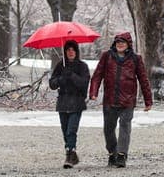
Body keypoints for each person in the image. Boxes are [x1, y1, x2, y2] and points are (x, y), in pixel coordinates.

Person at [89, 31, 153, 168]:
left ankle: (122, 155)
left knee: (125, 127)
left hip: (127, 100)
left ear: (128, 44)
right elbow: (97, 75)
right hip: (109, 100)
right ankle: (113, 153)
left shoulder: (136, 59)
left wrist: (148, 101)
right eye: (118, 42)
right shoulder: (107, 56)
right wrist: (93, 92)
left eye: (123, 42)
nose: (120, 45)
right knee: (108, 129)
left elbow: (143, 80)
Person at [49, 40, 91, 169]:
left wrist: (72, 75)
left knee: (72, 130)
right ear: (65, 52)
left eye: (73, 50)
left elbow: (84, 83)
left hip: (76, 102)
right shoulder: (60, 65)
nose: (70, 52)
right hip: (63, 102)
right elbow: (52, 84)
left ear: (76, 51)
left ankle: (69, 153)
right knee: (65, 130)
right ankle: (72, 153)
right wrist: (62, 78)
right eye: (68, 50)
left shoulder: (82, 66)